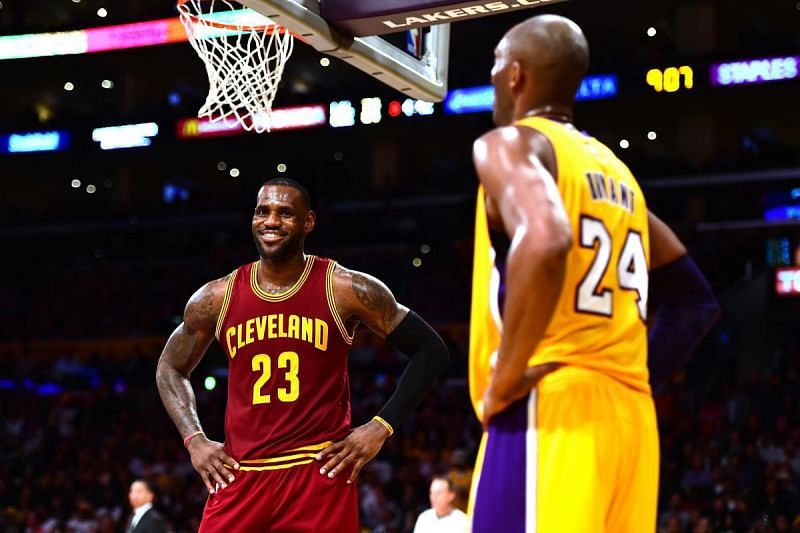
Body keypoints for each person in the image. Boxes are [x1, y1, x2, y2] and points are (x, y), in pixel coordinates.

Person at [467, 14, 720, 532]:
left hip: (553, 406)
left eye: (494, 66)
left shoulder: (508, 144)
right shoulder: (616, 174)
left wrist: (505, 380)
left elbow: (545, 239)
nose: (491, 77)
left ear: (515, 74)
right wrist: (630, 375)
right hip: (630, 421)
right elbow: (696, 301)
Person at [156, 178, 449, 532]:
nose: (271, 221)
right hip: (242, 474)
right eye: (262, 212)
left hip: (319, 472)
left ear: (308, 222)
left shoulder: (344, 288)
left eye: (285, 213)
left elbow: (431, 350)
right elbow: (170, 367)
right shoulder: (216, 296)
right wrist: (194, 439)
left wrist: (379, 428)